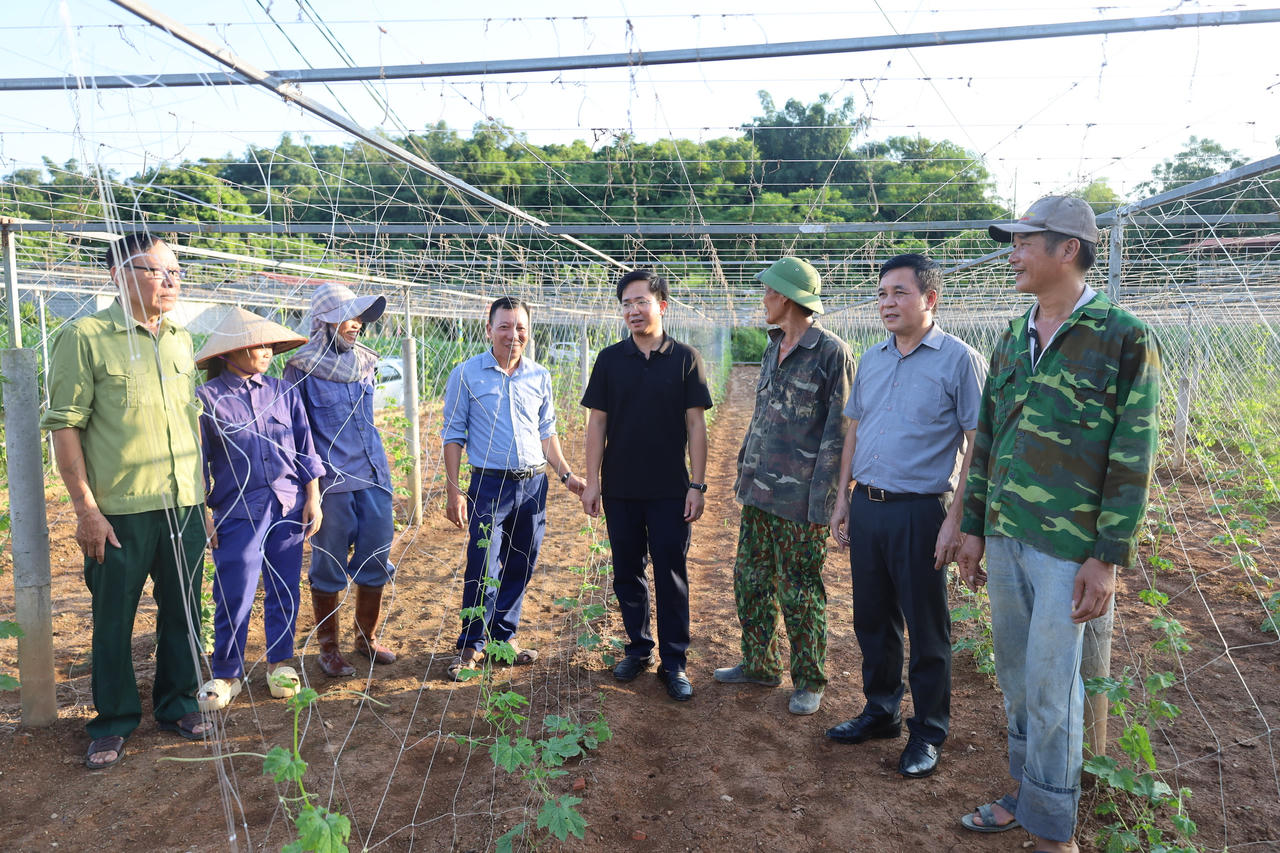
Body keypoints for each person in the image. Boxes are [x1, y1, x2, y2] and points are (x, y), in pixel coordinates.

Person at [956, 196, 1161, 853]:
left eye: (1023, 243)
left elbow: (1134, 453)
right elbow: (988, 436)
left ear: (1066, 249)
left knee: (1053, 689)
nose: (1011, 255)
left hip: (1068, 549)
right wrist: (973, 525)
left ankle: (1054, 835)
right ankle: (1031, 794)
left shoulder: (1121, 335)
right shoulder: (1014, 336)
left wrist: (1107, 555)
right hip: (1009, 536)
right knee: (1017, 679)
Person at [42, 232, 211, 769]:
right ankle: (113, 720)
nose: (171, 280)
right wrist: (86, 509)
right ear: (119, 275)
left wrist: (200, 501)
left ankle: (179, 704)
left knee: (184, 611)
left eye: (176, 271)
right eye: (157, 270)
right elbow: (66, 426)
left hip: (182, 504)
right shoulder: (87, 337)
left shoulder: (181, 340)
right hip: (119, 510)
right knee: (113, 617)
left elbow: (189, 426)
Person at [826, 254, 986, 778]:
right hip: (869, 507)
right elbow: (855, 427)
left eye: (899, 292)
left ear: (929, 299)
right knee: (872, 618)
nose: (887, 303)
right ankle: (881, 711)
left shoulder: (959, 360)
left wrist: (955, 521)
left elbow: (976, 443)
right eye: (881, 294)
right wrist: (844, 495)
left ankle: (928, 731)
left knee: (926, 625)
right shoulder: (872, 359)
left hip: (921, 511)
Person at [714, 257, 854, 716]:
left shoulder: (831, 353)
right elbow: (762, 418)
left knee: (800, 589)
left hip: (799, 500)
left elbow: (840, 432)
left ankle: (810, 679)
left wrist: (828, 503)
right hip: (758, 490)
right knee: (750, 580)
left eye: (770, 292)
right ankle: (759, 663)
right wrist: (744, 473)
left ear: (791, 299)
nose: (764, 299)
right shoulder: (774, 346)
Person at [580, 270, 713, 702]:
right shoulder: (610, 359)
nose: (633, 310)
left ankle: (674, 662)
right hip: (620, 488)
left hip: (671, 489)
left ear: (662, 305)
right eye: (626, 304)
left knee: (671, 575)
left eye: (641, 301)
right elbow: (596, 422)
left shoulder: (686, 358)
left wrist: (698, 484)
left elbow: (696, 424)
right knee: (627, 573)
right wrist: (593, 482)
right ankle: (638, 648)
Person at [441, 296, 586, 679]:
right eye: (504, 326)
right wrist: (454, 490)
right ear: (488, 330)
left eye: (519, 326)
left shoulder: (539, 376)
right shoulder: (467, 374)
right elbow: (453, 436)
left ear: (528, 331)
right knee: (483, 564)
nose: (512, 334)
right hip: (489, 484)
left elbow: (546, 433)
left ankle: (503, 638)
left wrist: (567, 475)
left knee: (522, 563)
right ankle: (471, 644)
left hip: (534, 485)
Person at [195, 307, 326, 710]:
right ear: (230, 352)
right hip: (238, 508)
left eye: (270, 344)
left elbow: (305, 447)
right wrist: (204, 513)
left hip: (288, 503)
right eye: (257, 344)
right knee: (234, 589)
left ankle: (279, 663)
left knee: (285, 586)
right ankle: (228, 672)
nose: (267, 350)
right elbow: (197, 461)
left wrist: (313, 496)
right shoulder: (207, 398)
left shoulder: (283, 391)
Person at [284, 283, 397, 679]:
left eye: (360, 318)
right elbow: (297, 433)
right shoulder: (300, 367)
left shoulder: (365, 362)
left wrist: (384, 477)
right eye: (349, 317)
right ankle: (328, 648)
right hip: (332, 483)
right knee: (328, 566)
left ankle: (365, 637)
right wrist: (310, 488)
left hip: (374, 478)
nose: (357, 325)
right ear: (325, 320)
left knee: (377, 558)